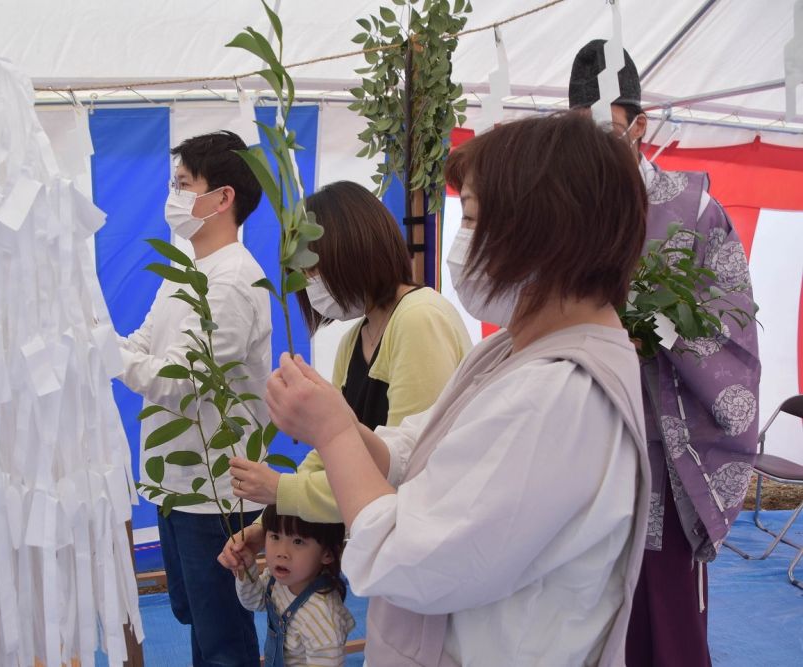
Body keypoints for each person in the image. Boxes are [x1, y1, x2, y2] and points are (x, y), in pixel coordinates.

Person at [264, 113, 652, 665]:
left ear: (543, 230)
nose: (461, 243)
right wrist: (340, 425)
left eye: (470, 218)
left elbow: (406, 559)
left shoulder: (556, 393)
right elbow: (424, 445)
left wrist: (330, 431)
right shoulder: (517, 350)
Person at [569, 40, 762, 667]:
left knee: (663, 624)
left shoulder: (694, 210)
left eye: (608, 132)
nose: (595, 151)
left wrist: (650, 327)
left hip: (663, 453)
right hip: (581, 445)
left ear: (639, 125)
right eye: (581, 136)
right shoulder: (567, 211)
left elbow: (731, 325)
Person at [225, 180, 471, 523]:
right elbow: (331, 450)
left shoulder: (418, 319)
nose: (309, 284)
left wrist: (283, 490)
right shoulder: (355, 338)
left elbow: (409, 467)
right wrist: (268, 521)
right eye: (301, 274)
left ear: (353, 249)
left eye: (312, 269)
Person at [117, 130, 270, 666]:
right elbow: (146, 343)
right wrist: (94, 342)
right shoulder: (187, 268)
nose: (173, 198)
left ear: (223, 197)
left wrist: (112, 359)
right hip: (176, 484)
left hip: (214, 493)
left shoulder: (231, 282)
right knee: (198, 622)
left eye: (184, 185)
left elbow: (185, 382)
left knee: (223, 636)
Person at [232, 505, 354, 667]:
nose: (282, 552)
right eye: (275, 536)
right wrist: (246, 570)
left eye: (298, 541)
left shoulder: (321, 617)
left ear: (328, 554)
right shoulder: (277, 580)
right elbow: (254, 602)